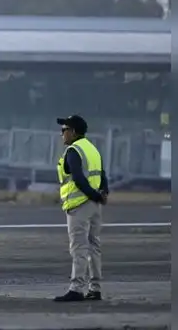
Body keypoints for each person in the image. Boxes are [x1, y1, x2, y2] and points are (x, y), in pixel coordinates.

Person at [54, 115, 109, 302]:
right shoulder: (92, 149)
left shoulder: (73, 151)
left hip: (79, 205)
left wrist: (92, 195)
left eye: (64, 130)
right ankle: (95, 288)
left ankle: (76, 288)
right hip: (95, 205)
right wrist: (102, 194)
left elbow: (77, 178)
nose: (62, 134)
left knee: (79, 247)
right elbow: (102, 175)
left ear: (73, 132)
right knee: (94, 246)